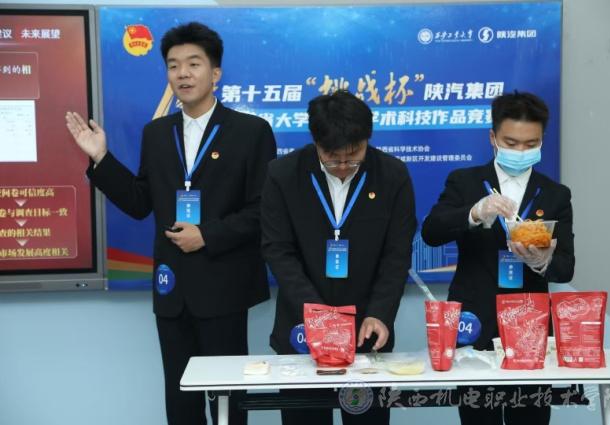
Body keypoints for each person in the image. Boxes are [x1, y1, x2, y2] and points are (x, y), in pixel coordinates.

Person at [65, 22, 276, 425]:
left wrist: (207, 235)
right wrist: (101, 159)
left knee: (228, 401)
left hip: (224, 286)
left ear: (215, 73)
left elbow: (264, 209)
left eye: (194, 64)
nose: (183, 74)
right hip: (171, 287)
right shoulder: (157, 133)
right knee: (180, 403)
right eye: (174, 65)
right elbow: (140, 202)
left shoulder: (251, 132)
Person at [261, 90, 416, 425]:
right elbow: (278, 250)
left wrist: (379, 314)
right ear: (316, 142)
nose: (344, 166)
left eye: (354, 155)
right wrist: (319, 316)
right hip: (302, 330)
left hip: (366, 333)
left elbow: (397, 255)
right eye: (332, 157)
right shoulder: (283, 174)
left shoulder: (392, 175)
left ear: (367, 140)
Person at [421, 91, 575, 425]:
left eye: (530, 144)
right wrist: (475, 212)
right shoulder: (464, 182)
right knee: (478, 418)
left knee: (531, 419)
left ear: (542, 141)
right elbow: (431, 233)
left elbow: (566, 268)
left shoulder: (556, 194)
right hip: (474, 323)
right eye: (511, 142)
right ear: (493, 138)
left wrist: (543, 260)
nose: (520, 151)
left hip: (531, 328)